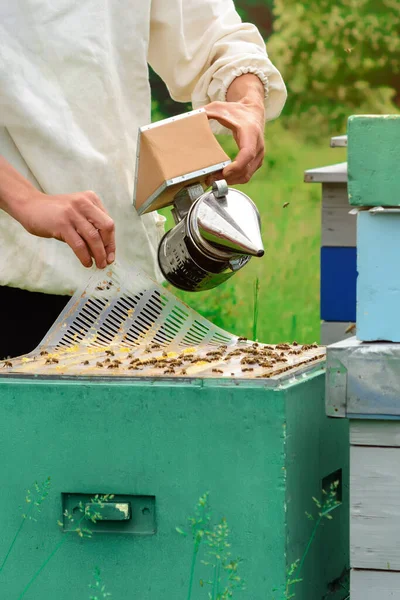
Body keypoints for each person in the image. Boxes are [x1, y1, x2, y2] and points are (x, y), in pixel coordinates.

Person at [0, 0, 287, 359]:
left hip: (126, 277)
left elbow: (213, 33)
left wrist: (248, 103)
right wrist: (25, 200)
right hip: (12, 276)